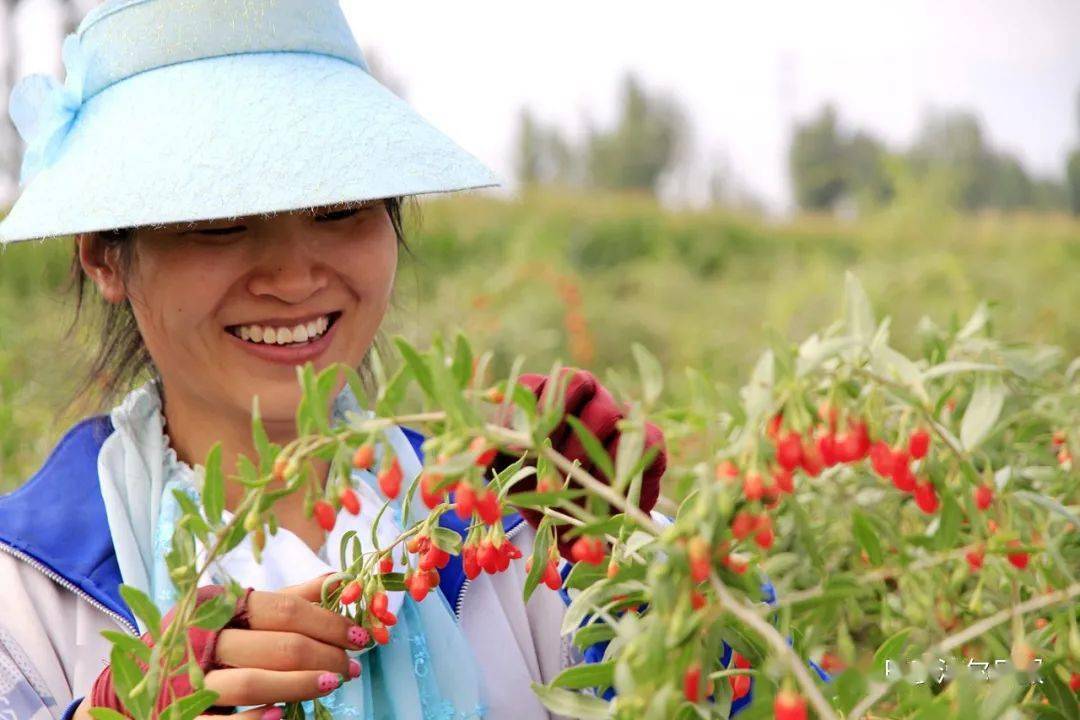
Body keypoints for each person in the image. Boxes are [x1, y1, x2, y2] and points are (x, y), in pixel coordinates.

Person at [0, 1, 673, 718]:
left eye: (339, 210)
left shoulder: (506, 521)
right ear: (105, 256)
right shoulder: (29, 586)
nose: (293, 279)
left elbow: (734, 690)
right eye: (218, 224)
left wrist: (638, 567)